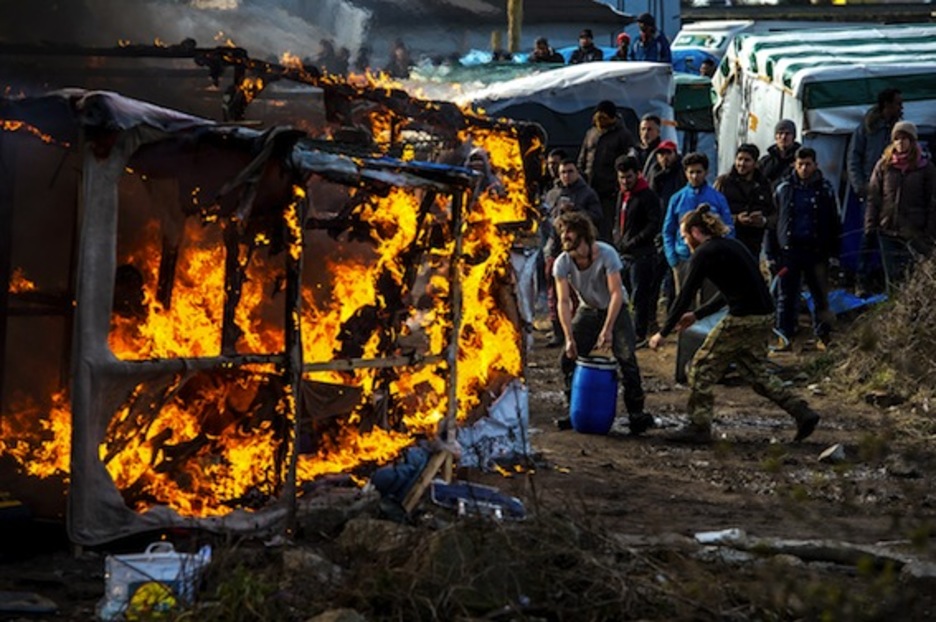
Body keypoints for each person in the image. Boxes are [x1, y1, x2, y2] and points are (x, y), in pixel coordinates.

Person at [648, 205, 821, 444]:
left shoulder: (704, 253)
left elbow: (685, 294)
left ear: (696, 232)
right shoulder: (731, 245)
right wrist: (697, 315)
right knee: (755, 372)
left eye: (685, 235)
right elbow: (727, 293)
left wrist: (662, 333)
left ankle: (698, 427)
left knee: (700, 367)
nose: (685, 241)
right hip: (764, 317)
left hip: (743, 319)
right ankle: (803, 412)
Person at [553, 211, 653, 435]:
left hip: (615, 309)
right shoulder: (563, 262)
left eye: (569, 232)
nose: (564, 236)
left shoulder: (607, 253)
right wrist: (569, 338)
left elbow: (616, 294)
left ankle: (636, 414)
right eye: (562, 232)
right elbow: (563, 301)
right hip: (588, 309)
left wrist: (608, 329)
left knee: (626, 358)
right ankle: (574, 409)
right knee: (567, 359)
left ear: (583, 235)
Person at [766, 147, 839, 351]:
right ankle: (784, 336)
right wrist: (771, 253)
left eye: (808, 164)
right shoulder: (784, 189)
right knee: (785, 296)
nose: (804, 168)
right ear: (794, 165)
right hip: (789, 251)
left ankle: (823, 336)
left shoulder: (825, 189)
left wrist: (834, 253)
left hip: (817, 252)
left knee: (820, 295)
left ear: (815, 165)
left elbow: (834, 222)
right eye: (800, 165)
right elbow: (773, 223)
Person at [865, 121, 936, 292]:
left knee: (913, 279)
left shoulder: (925, 168)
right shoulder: (884, 165)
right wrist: (870, 225)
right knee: (893, 278)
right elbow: (874, 197)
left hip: (915, 231)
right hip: (888, 229)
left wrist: (929, 232)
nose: (900, 143)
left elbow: (933, 202)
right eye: (897, 138)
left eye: (905, 138)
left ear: (913, 141)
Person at [848, 88, 903, 295]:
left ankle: (890, 280)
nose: (901, 107)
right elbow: (854, 158)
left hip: (894, 193)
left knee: (893, 236)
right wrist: (860, 187)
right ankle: (861, 280)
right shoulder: (868, 127)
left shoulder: (900, 130)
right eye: (898, 103)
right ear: (886, 105)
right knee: (867, 235)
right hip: (871, 192)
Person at [543, 160, 603, 346]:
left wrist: (576, 211)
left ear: (577, 172)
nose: (566, 176)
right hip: (554, 249)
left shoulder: (587, 194)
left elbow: (597, 217)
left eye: (570, 171)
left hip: (578, 252)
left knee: (576, 295)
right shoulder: (554, 193)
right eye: (563, 172)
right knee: (554, 296)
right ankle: (558, 332)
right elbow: (546, 220)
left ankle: (578, 332)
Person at [661, 152, 733, 295]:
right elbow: (668, 230)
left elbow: (728, 228)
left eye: (698, 172)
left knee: (708, 306)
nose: (695, 176)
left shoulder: (717, 198)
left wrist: (723, 255)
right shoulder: (677, 198)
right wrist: (672, 258)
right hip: (683, 259)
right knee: (685, 304)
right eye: (691, 172)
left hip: (711, 259)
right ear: (685, 173)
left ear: (706, 172)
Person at [612, 155, 662, 347]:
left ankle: (639, 334)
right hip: (624, 253)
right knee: (624, 293)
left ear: (637, 175)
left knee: (639, 296)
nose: (625, 181)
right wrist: (617, 238)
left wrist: (633, 241)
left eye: (629, 177)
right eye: (622, 178)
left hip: (642, 254)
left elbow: (653, 224)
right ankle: (626, 330)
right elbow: (618, 219)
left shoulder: (647, 196)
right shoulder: (622, 194)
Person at [577, 100, 636, 243]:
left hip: (609, 192)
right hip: (588, 188)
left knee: (605, 229)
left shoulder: (623, 135)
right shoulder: (591, 133)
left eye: (603, 117)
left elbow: (628, 162)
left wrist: (618, 186)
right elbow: (582, 158)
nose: (600, 121)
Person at [713, 143, 774, 260]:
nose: (741, 164)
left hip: (753, 245)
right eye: (739, 159)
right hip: (727, 243)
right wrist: (736, 219)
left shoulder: (764, 185)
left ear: (755, 163)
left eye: (747, 160)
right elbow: (711, 213)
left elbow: (774, 214)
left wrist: (763, 221)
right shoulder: (724, 183)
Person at [758, 119, 801, 188]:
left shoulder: (801, 161)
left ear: (793, 137)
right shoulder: (766, 161)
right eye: (780, 133)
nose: (783, 137)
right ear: (775, 136)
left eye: (787, 133)